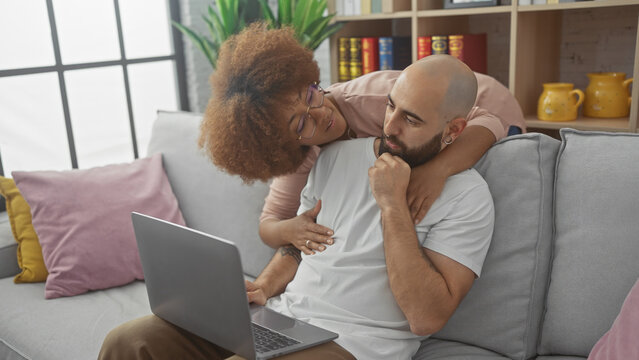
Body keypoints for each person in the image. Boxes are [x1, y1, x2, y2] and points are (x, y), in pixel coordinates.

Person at [99, 54, 494, 360]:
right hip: (283, 318)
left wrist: (392, 204)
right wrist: (263, 287)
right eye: (390, 107)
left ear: (454, 131)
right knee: (130, 344)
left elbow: (426, 317)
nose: (390, 126)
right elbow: (296, 244)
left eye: (411, 119)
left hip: (353, 346)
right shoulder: (335, 157)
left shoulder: (467, 196)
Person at [199, 23, 523, 255]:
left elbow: (488, 120)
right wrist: (291, 230)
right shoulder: (301, 157)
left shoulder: (374, 97)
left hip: (487, 104)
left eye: (309, 93)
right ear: (283, 146)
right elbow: (268, 226)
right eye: (300, 123)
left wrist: (436, 172)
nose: (320, 112)